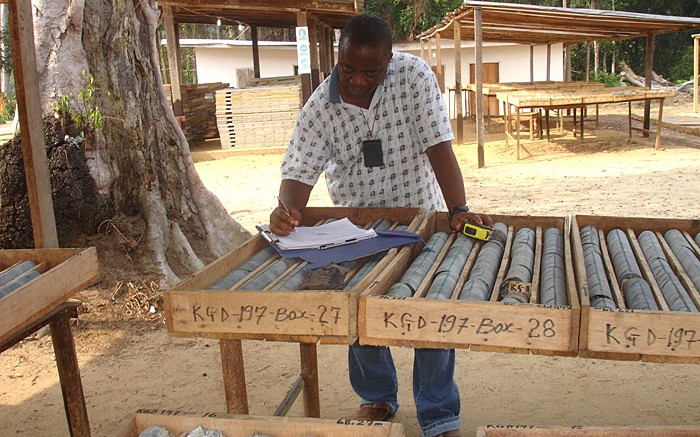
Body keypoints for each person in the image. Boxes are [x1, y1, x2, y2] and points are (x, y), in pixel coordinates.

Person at [269, 14, 493, 437]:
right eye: (348, 68)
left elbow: (439, 145)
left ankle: (439, 413)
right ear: (338, 57)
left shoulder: (414, 77)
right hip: (358, 229)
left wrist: (458, 207)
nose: (356, 80)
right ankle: (377, 398)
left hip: (419, 217)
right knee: (361, 311)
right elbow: (298, 170)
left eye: (369, 72)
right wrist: (285, 212)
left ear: (389, 60)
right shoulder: (320, 107)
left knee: (430, 308)